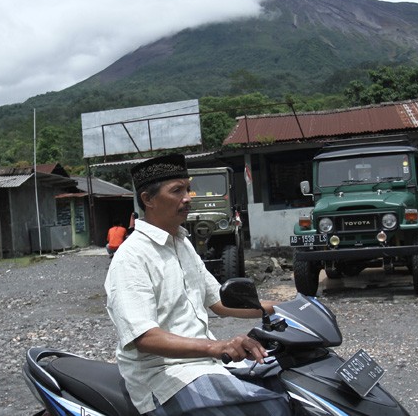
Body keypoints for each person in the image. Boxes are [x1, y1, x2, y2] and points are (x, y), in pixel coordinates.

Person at [105, 154, 292, 416]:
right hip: (165, 376)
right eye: (177, 190)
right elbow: (144, 337)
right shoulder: (131, 257)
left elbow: (219, 301)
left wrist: (288, 308)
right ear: (148, 200)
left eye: (187, 189)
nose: (188, 198)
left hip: (205, 364)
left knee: (290, 386)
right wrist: (220, 346)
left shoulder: (182, 243)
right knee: (270, 408)